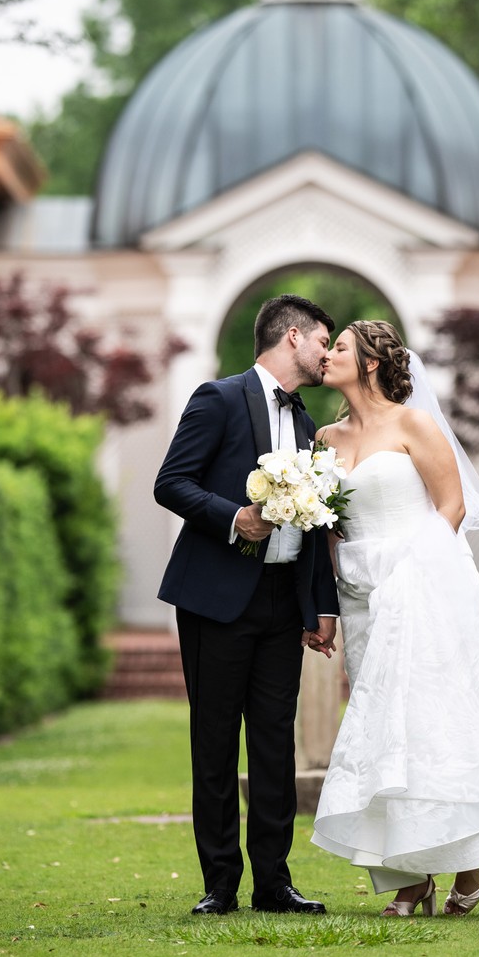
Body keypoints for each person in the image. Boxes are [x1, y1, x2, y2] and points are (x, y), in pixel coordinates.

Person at [311, 321, 479, 916]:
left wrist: (412, 577)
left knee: (435, 720)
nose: (328, 356)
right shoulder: (325, 438)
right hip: (360, 593)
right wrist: (326, 603)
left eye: (341, 348)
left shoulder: (415, 424)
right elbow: (326, 529)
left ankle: (470, 855)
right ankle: (410, 875)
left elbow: (451, 505)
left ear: (372, 362)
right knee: (383, 728)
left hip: (423, 585)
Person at [154, 294, 339, 916]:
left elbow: (316, 529)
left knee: (273, 745)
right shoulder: (218, 398)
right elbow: (171, 482)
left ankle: (273, 882)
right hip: (216, 598)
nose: (325, 354)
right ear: (292, 337)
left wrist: (319, 609)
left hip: (283, 602)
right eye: (322, 342)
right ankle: (219, 885)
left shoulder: (311, 426)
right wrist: (235, 517)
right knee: (213, 743)